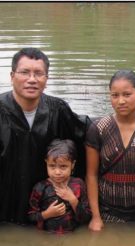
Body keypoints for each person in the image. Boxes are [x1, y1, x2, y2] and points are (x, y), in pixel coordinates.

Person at [0, 48, 90, 225]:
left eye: (38, 73)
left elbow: (85, 132)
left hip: (47, 202)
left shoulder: (58, 110)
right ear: (12, 76)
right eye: (25, 72)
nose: (32, 79)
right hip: (5, 200)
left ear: (46, 80)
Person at [85, 70, 135, 233]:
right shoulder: (99, 129)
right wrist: (95, 217)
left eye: (127, 94)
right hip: (106, 213)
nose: (121, 101)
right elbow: (91, 175)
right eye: (115, 95)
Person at [28, 139, 91, 233]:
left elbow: (86, 218)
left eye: (63, 166)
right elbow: (30, 217)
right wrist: (47, 214)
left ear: (72, 165)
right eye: (52, 166)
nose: (57, 172)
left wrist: (73, 200)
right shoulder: (40, 187)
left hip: (73, 238)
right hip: (48, 239)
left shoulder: (78, 185)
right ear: (46, 163)